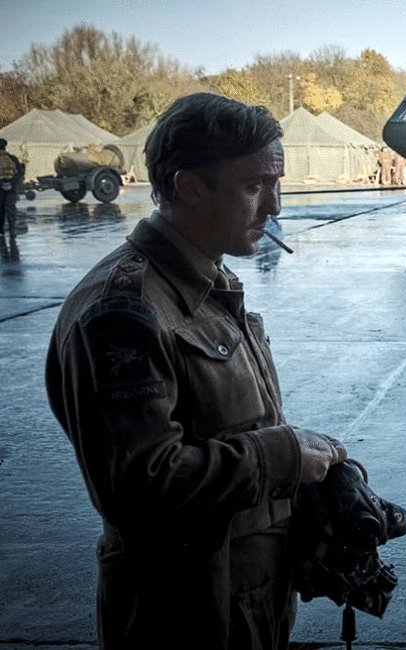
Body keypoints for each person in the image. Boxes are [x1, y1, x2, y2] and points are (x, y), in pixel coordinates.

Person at [45, 93, 349, 650]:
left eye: (276, 184)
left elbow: (225, 431)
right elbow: (141, 487)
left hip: (243, 607)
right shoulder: (124, 312)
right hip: (180, 620)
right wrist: (282, 456)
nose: (275, 206)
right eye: (256, 185)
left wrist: (307, 489)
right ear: (189, 187)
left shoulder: (205, 285)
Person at [0, 138, 25, 238]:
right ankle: (12, 229)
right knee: (10, 208)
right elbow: (20, 172)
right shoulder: (13, 158)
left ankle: (1, 230)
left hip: (0, 188)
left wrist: (2, 184)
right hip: (11, 187)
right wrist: (11, 183)